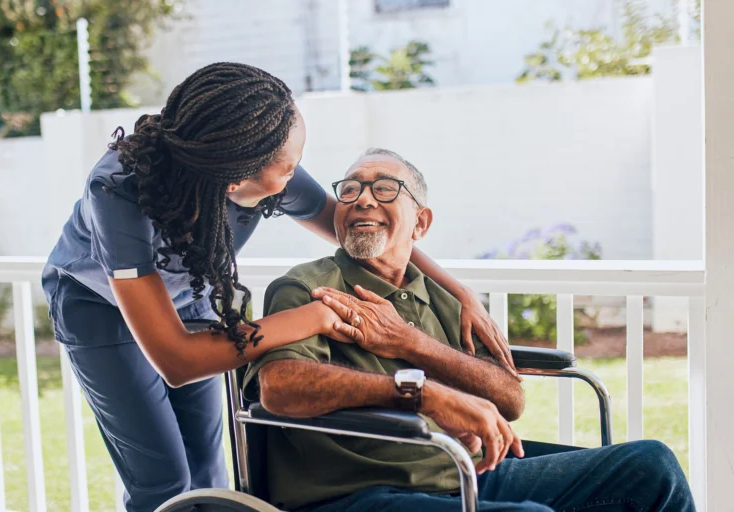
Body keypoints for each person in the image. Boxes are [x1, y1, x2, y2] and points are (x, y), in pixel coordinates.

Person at [41, 63, 514, 512]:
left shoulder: (263, 154)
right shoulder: (117, 192)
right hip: (99, 306)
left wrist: (456, 290)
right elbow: (177, 361)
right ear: (235, 178)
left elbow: (350, 226)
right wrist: (312, 317)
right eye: (288, 169)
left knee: (209, 469)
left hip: (192, 296)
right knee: (162, 478)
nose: (295, 176)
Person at [243, 148, 695, 512]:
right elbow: (280, 387)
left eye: (384, 189)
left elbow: (510, 399)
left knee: (651, 465)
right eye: (350, 190)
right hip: (357, 491)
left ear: (420, 222)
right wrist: (422, 392)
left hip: (465, 471)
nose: (362, 199)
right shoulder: (308, 287)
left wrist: (411, 342)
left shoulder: (444, 299)